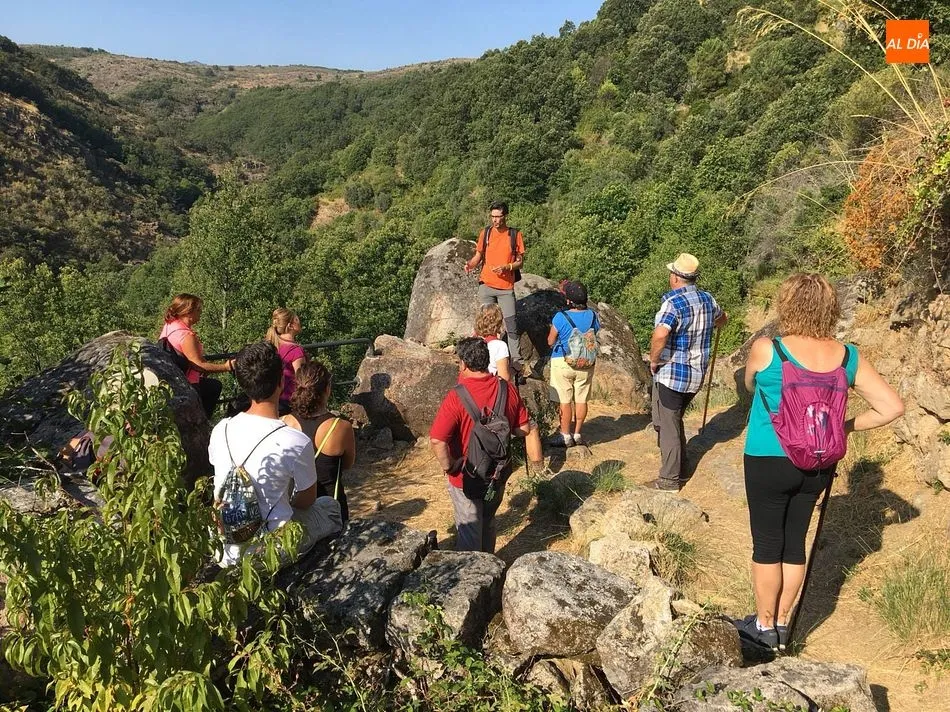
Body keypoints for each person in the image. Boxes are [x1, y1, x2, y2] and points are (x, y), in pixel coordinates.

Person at [737, 273, 903, 651]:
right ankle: (781, 624)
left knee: (767, 544)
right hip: (818, 462)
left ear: (787, 305)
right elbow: (892, 407)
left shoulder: (768, 349)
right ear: (831, 310)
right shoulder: (848, 356)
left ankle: (762, 628)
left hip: (767, 457)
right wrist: (841, 428)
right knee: (795, 543)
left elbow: (748, 386)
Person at [208, 342, 342, 567]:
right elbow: (306, 501)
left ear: (243, 383)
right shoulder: (295, 441)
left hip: (224, 548)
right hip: (268, 551)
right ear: (281, 382)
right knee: (329, 506)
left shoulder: (221, 428)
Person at [429, 337, 544, 553]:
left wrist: (449, 467)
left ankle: (474, 579)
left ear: (463, 363)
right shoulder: (507, 389)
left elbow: (437, 439)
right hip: (497, 473)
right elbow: (523, 429)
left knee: (470, 530)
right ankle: (491, 569)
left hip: (466, 476)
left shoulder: (457, 396)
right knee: (488, 521)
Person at [648, 254, 728, 491]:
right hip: (696, 374)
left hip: (672, 374)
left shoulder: (672, 302)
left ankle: (670, 479)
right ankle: (681, 466)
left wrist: (654, 360)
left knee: (668, 423)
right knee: (672, 419)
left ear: (675, 277)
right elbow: (722, 319)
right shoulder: (707, 299)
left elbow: (661, 334)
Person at [282, 360, 355, 523]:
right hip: (331, 508)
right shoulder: (340, 427)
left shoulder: (284, 423)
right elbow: (348, 464)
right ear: (327, 389)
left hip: (296, 510)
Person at [464, 200, 525, 377]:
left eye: (498, 217)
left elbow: (520, 262)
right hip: (486, 284)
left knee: (511, 324)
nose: (495, 220)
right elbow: (478, 255)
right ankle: (480, 359)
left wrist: (507, 267)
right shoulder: (486, 233)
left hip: (506, 287)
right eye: (493, 217)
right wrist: (470, 264)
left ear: (505, 216)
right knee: (484, 325)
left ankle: (516, 362)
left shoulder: (514, 235)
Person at [159, 294, 233, 418]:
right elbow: (198, 365)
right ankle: (203, 421)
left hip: (173, 381)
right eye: (198, 310)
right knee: (214, 387)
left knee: (213, 386)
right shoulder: (186, 335)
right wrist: (227, 366)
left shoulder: (170, 326)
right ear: (189, 312)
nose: (201, 313)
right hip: (189, 384)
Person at [547, 281, 600, 448]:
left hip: (562, 361)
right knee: (581, 399)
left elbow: (550, 341)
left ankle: (565, 436)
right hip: (586, 362)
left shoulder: (560, 317)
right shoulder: (593, 316)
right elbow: (594, 332)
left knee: (564, 400)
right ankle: (577, 433)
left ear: (568, 300)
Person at [266, 307, 307, 415]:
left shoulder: (272, 344)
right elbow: (301, 380)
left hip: (272, 398)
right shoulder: (295, 351)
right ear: (290, 326)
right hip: (289, 403)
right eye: (297, 320)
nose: (300, 322)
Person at [474, 304, 513, 381]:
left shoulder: (471, 340)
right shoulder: (499, 346)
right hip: (488, 387)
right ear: (499, 321)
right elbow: (504, 378)